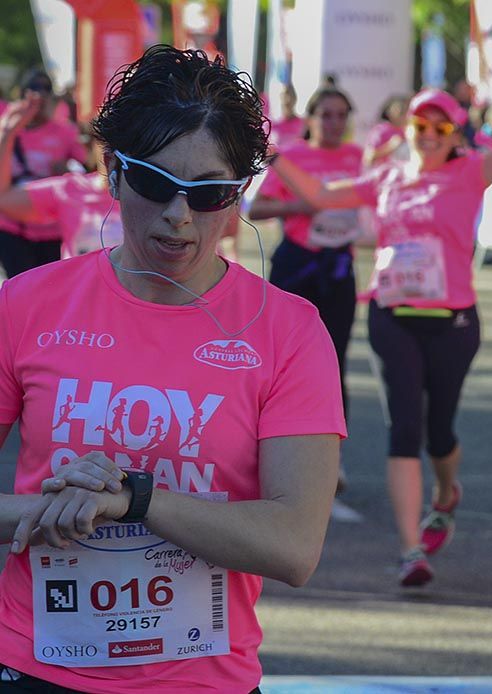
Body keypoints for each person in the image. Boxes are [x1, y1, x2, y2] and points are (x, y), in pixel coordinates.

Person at [0, 45, 345, 692]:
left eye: (211, 193)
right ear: (112, 171)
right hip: (34, 667)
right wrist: (61, 507)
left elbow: (295, 546)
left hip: (204, 681)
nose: (180, 216)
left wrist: (134, 499)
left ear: (240, 191)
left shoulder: (288, 330)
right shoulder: (24, 305)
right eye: (156, 184)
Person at [267, 63, 492, 586]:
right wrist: (275, 155)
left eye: (441, 128)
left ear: (455, 135)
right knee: (403, 430)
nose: (430, 136)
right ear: (407, 130)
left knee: (439, 433)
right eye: (421, 126)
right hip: (393, 315)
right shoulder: (387, 176)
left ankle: (445, 491)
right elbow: (324, 198)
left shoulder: (469, 173)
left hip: (453, 321)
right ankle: (411, 549)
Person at [249, 82, 362, 427]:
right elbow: (256, 209)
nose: (334, 123)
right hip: (297, 263)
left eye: (341, 116)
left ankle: (333, 452)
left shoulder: (357, 157)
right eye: (326, 115)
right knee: (283, 357)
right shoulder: (293, 157)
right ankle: (274, 432)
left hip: (339, 265)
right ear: (310, 119)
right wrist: (301, 206)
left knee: (333, 357)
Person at [0, 96, 124, 258]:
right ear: (91, 144)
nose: (118, 152)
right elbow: (4, 197)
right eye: (107, 140)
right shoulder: (70, 189)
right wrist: (7, 133)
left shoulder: (153, 195)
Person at [0, 68, 88, 278]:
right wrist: (9, 131)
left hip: (52, 231)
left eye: (46, 89)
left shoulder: (65, 132)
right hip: (12, 226)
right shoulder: (7, 124)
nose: (40, 94)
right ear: (21, 93)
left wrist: (68, 169)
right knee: (19, 290)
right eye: (33, 88)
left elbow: (88, 168)